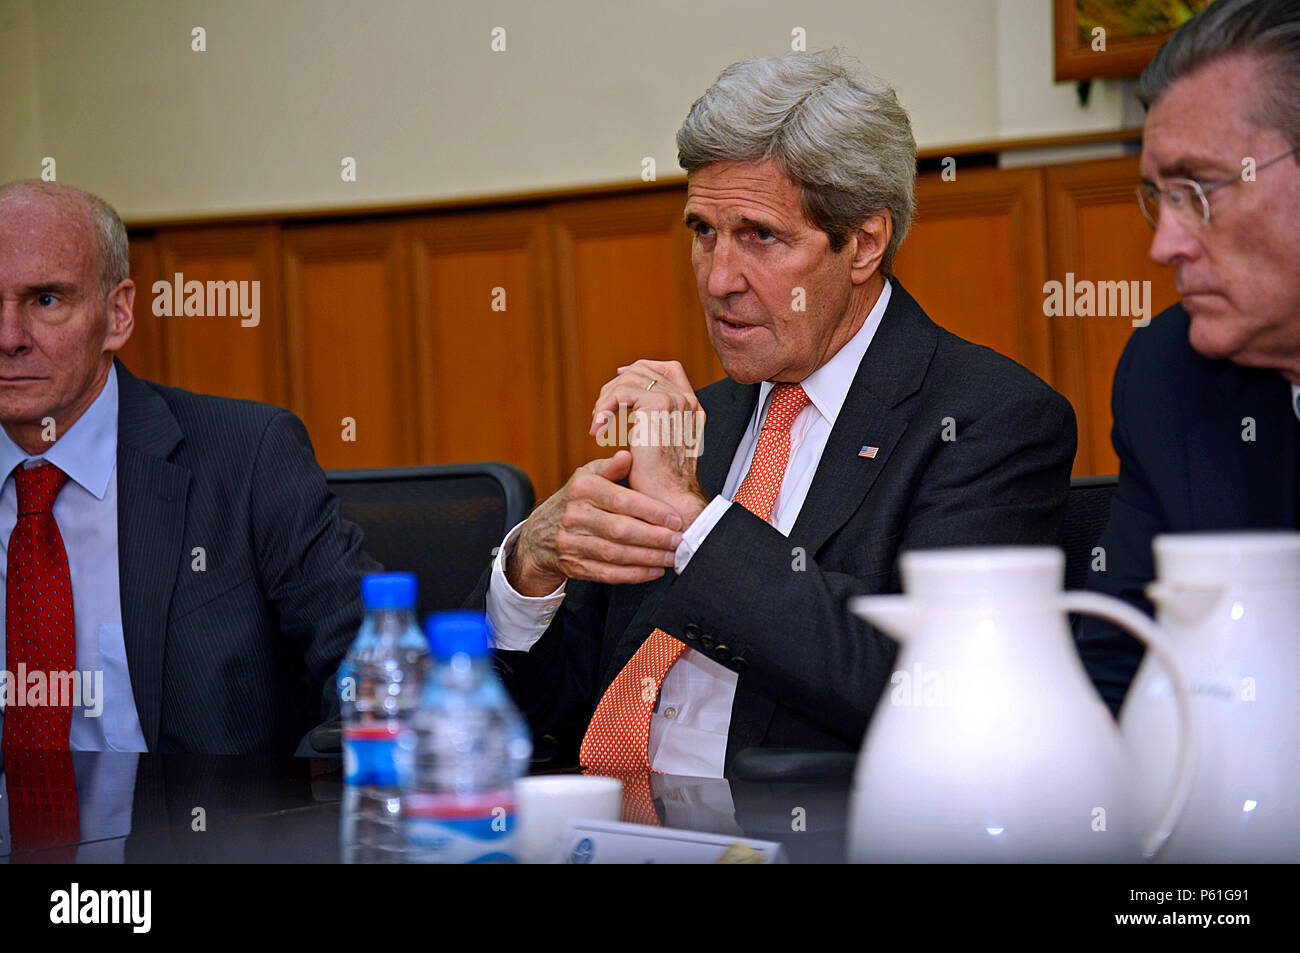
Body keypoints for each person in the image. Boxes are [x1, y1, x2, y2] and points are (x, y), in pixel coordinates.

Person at [479, 51, 1077, 780]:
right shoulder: (701, 419)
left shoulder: (987, 418)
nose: (719, 279)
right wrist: (531, 569)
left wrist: (694, 523)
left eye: (760, 235)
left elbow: (923, 687)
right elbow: (563, 712)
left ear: (863, 242)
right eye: (703, 232)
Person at [0, 180, 377, 755]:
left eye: (47, 301)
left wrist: (296, 822)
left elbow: (370, 662)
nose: (9, 338)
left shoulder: (246, 457)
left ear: (118, 314)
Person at [1076, 0, 1300, 714]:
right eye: (1160, 198)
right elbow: (1115, 661)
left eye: (1198, 191)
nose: (1163, 245)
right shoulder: (1168, 377)